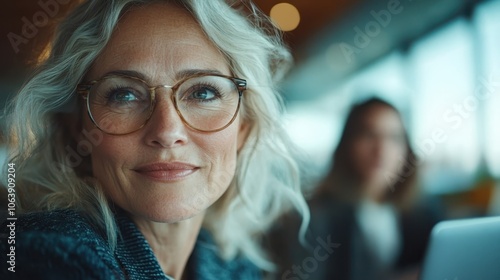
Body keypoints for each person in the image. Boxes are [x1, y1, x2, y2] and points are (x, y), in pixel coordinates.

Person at [0, 0, 309, 279]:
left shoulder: (234, 267)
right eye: (124, 95)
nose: (166, 131)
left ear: (244, 125)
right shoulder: (47, 258)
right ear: (76, 129)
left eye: (203, 92)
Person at [269, 97, 442, 280]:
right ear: (348, 144)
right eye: (369, 135)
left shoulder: (424, 211)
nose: (381, 149)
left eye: (394, 138)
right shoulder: (314, 217)